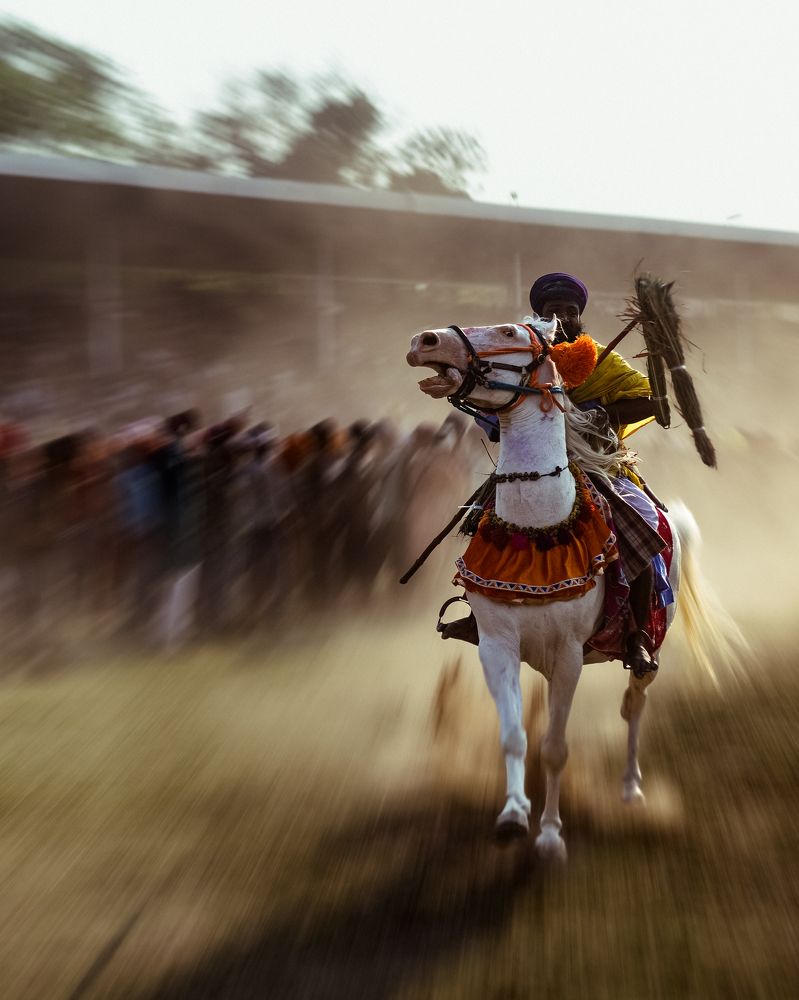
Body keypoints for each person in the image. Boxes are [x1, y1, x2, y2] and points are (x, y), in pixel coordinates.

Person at [444, 272, 669, 677]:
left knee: (642, 525)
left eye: (571, 310)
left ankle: (636, 637)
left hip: (598, 468)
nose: (564, 316)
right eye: (554, 311)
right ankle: (482, 617)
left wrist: (600, 412)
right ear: (540, 316)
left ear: (580, 316)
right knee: (480, 521)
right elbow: (490, 405)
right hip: (528, 466)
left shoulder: (602, 359)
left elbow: (649, 401)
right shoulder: (520, 357)